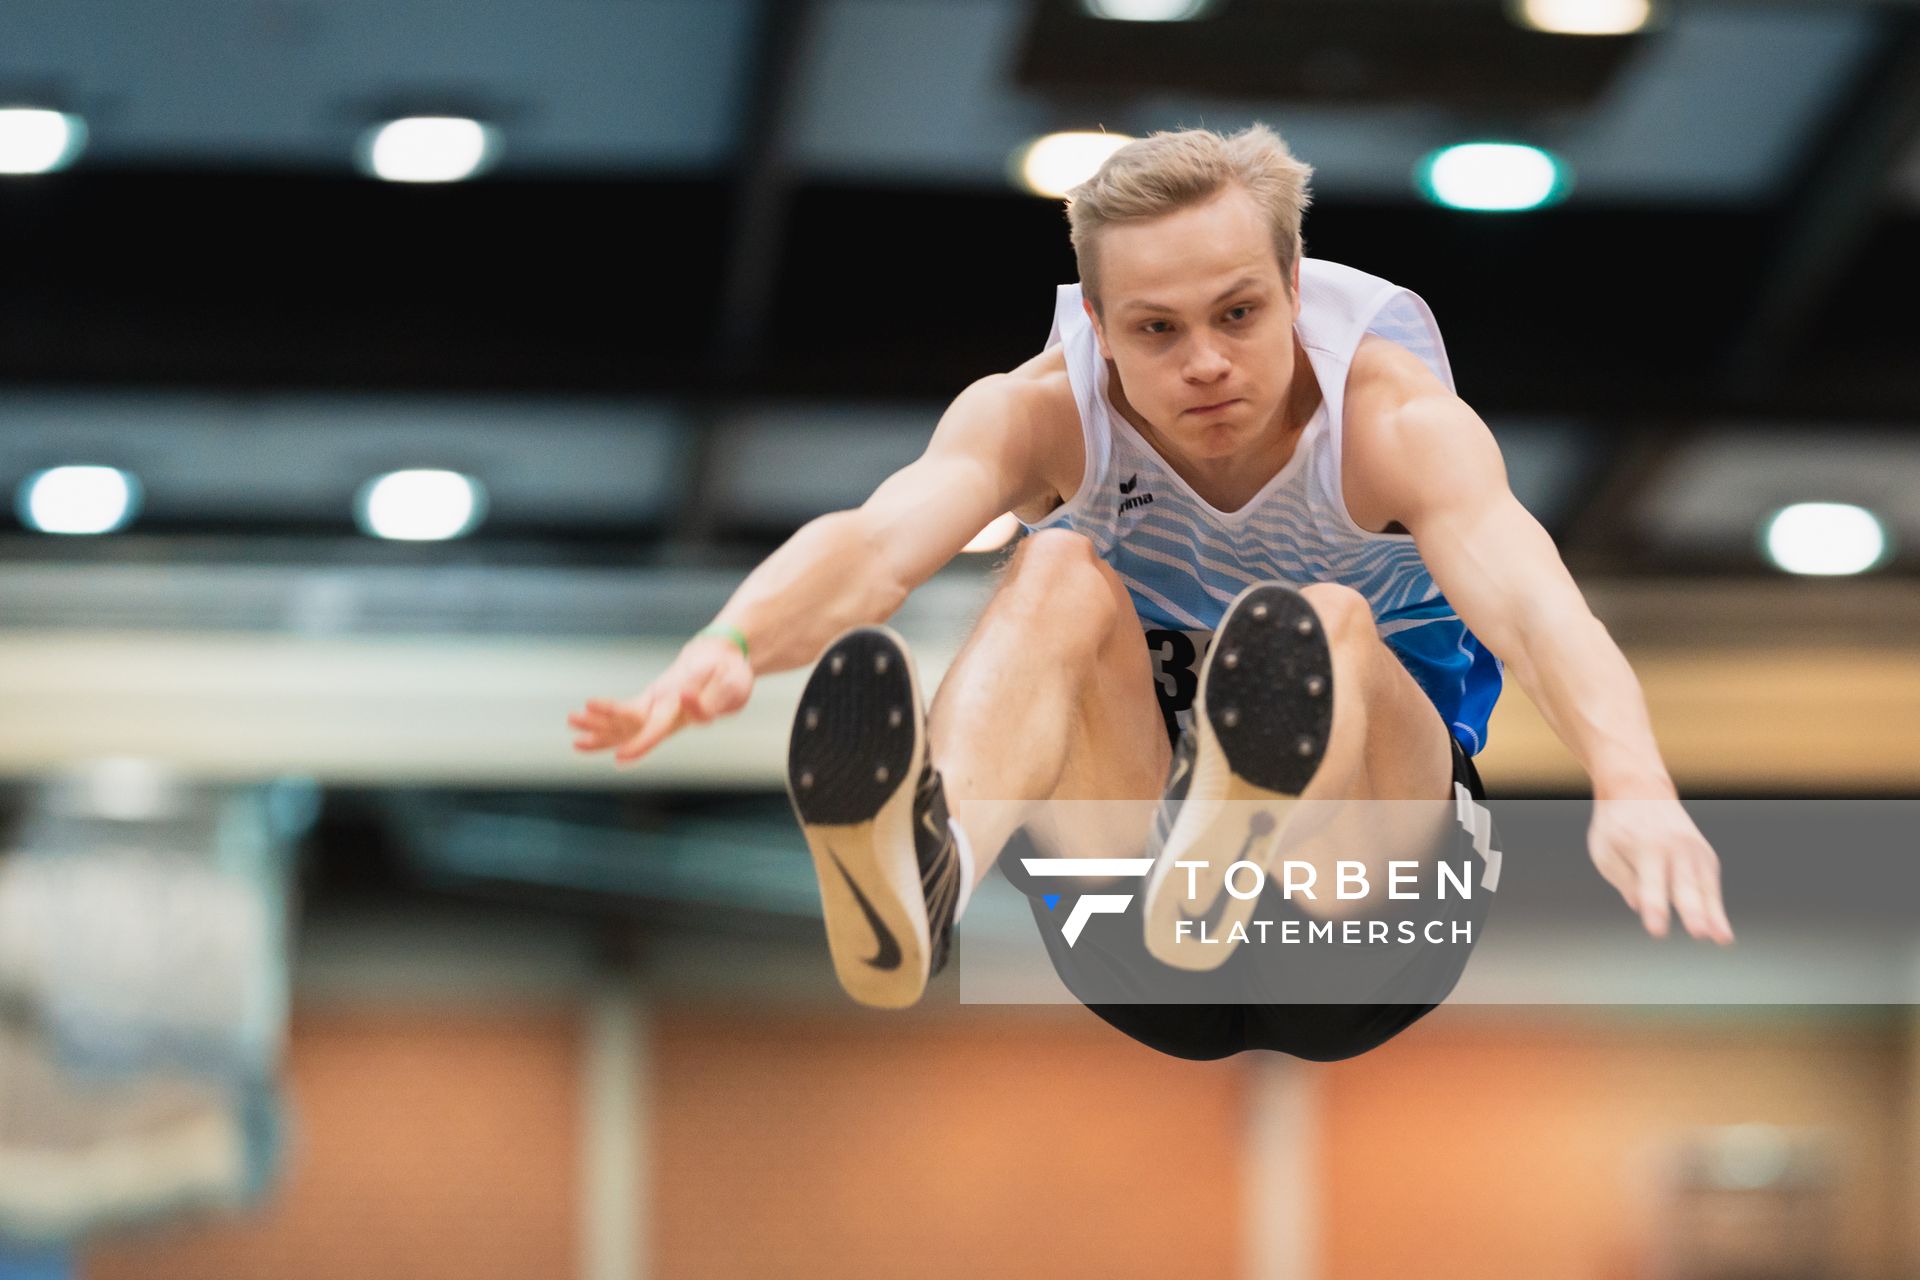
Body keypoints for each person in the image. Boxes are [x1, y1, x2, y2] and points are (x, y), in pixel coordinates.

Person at [569, 124, 1735, 1060]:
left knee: (1325, 619)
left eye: (1238, 313)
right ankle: (933, 872)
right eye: (1157, 330)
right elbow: (877, 544)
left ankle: (1236, 838)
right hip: (1138, 913)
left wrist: (1632, 783)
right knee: (1051, 570)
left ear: (1294, 285)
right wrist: (731, 640)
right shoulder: (1039, 413)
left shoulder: (1394, 421)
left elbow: (1535, 609)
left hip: (1368, 911)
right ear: (1096, 323)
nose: (1206, 362)